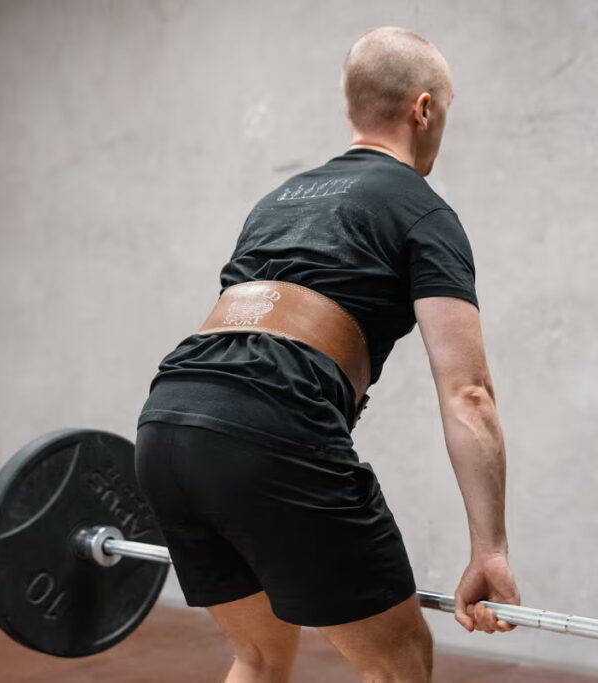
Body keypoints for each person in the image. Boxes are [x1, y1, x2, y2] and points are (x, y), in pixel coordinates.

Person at [135, 26, 520, 683]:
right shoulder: (423, 213)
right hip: (268, 434)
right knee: (398, 661)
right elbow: (469, 395)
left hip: (166, 429)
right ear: (423, 108)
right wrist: (490, 548)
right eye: (445, 111)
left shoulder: (276, 203)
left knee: (259, 653)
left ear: (353, 108)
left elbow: (247, 330)